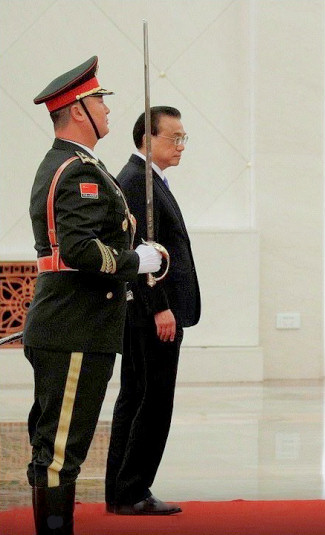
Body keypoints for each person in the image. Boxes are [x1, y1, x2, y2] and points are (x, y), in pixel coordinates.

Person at [25, 56, 162, 535]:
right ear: (78, 108)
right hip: (75, 326)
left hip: (75, 325)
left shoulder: (78, 164)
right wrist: (134, 263)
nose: (107, 108)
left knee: (57, 444)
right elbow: (81, 249)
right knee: (62, 450)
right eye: (100, 100)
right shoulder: (74, 170)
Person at [105, 106, 201, 515]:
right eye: (172, 138)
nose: (180, 146)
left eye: (183, 138)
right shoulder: (136, 182)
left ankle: (121, 488)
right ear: (147, 139)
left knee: (136, 395)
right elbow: (140, 252)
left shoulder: (149, 180)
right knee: (152, 400)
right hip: (151, 314)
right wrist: (160, 307)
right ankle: (133, 490)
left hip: (148, 312)